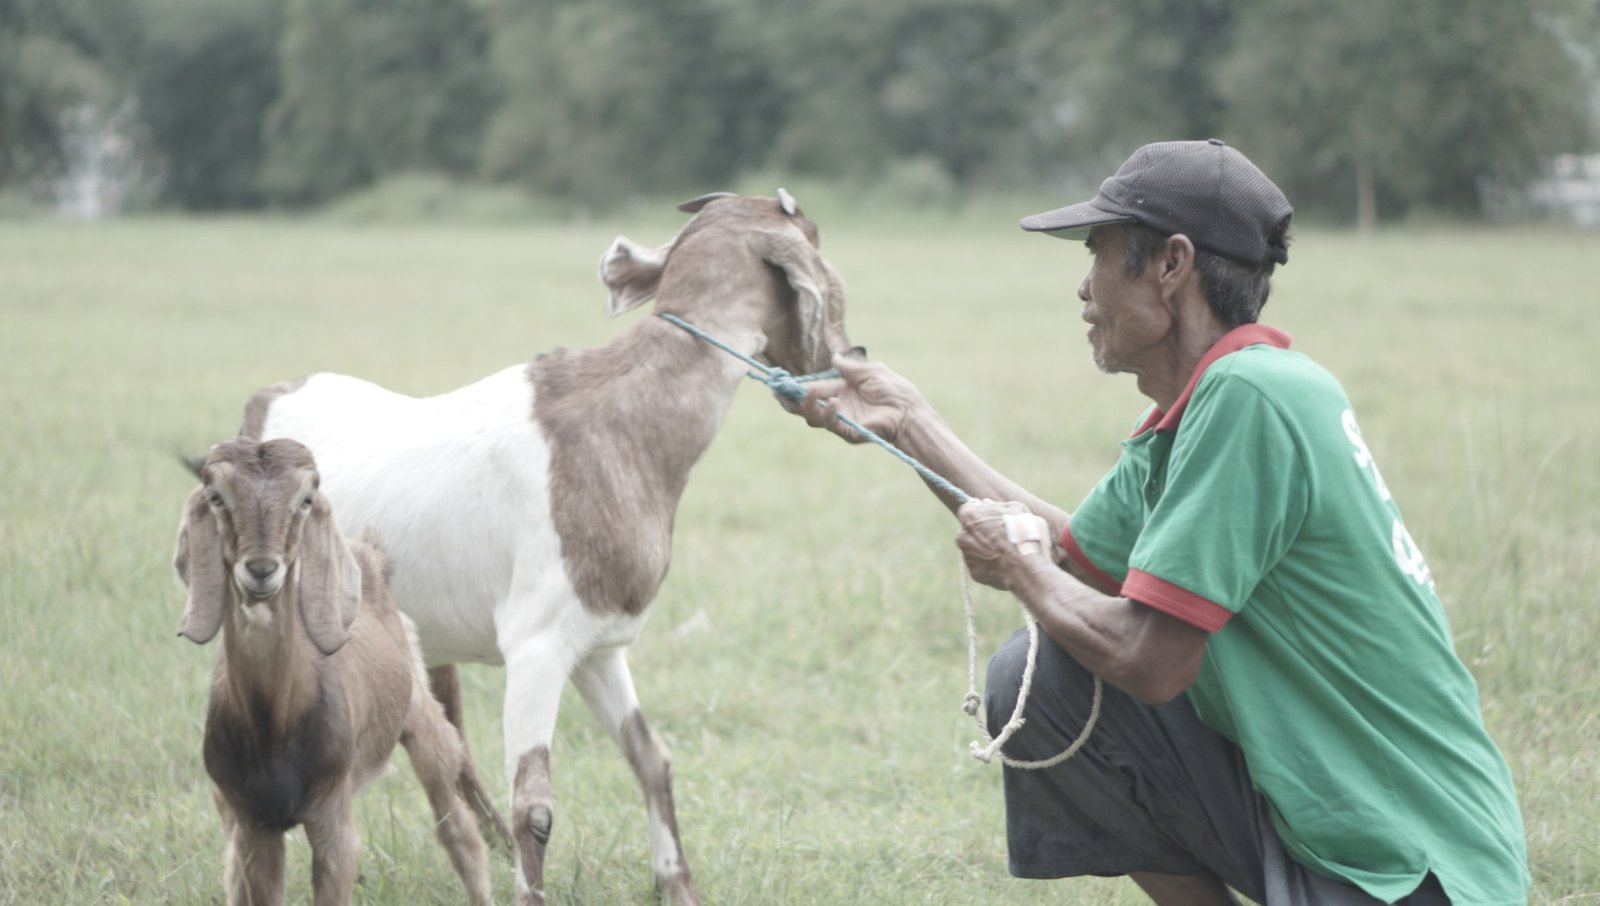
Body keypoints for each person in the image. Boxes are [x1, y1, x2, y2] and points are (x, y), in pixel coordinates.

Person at [791, 140, 1528, 905]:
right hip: (1332, 826)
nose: (1084, 289)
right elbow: (1076, 561)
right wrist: (908, 423)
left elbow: (1151, 659)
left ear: (1171, 265)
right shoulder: (1203, 407)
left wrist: (1021, 569)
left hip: (1411, 869)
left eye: (1100, 255)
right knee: (1035, 677)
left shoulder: (1252, 396)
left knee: (1058, 653)